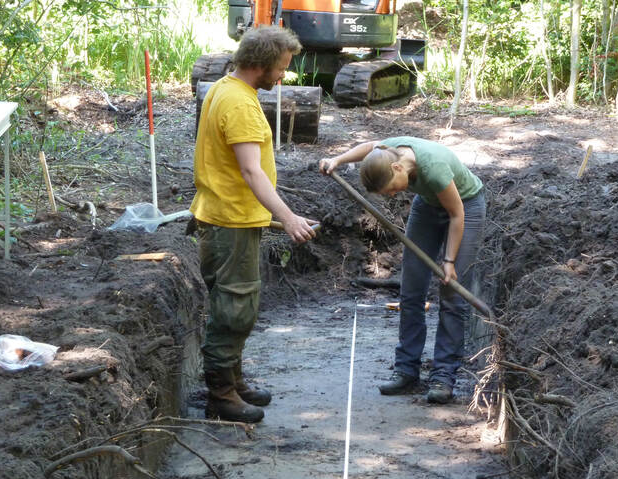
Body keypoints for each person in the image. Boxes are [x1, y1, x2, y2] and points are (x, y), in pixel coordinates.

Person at [191, 25, 317, 423]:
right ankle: (222, 395)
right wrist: (289, 217)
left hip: (222, 214)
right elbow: (251, 172)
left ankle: (234, 380)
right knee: (235, 307)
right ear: (260, 64)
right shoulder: (241, 105)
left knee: (234, 303)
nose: (283, 76)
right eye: (281, 68)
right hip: (232, 220)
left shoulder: (222, 89)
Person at [320, 138, 485, 404]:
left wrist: (449, 261)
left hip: (466, 207)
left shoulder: (434, 167)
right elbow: (367, 147)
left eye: (390, 189)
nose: (392, 195)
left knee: (451, 292)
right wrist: (337, 160)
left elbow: (457, 215)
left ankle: (443, 376)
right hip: (428, 205)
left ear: (397, 168)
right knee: (412, 289)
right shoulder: (389, 150)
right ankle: (407, 370)